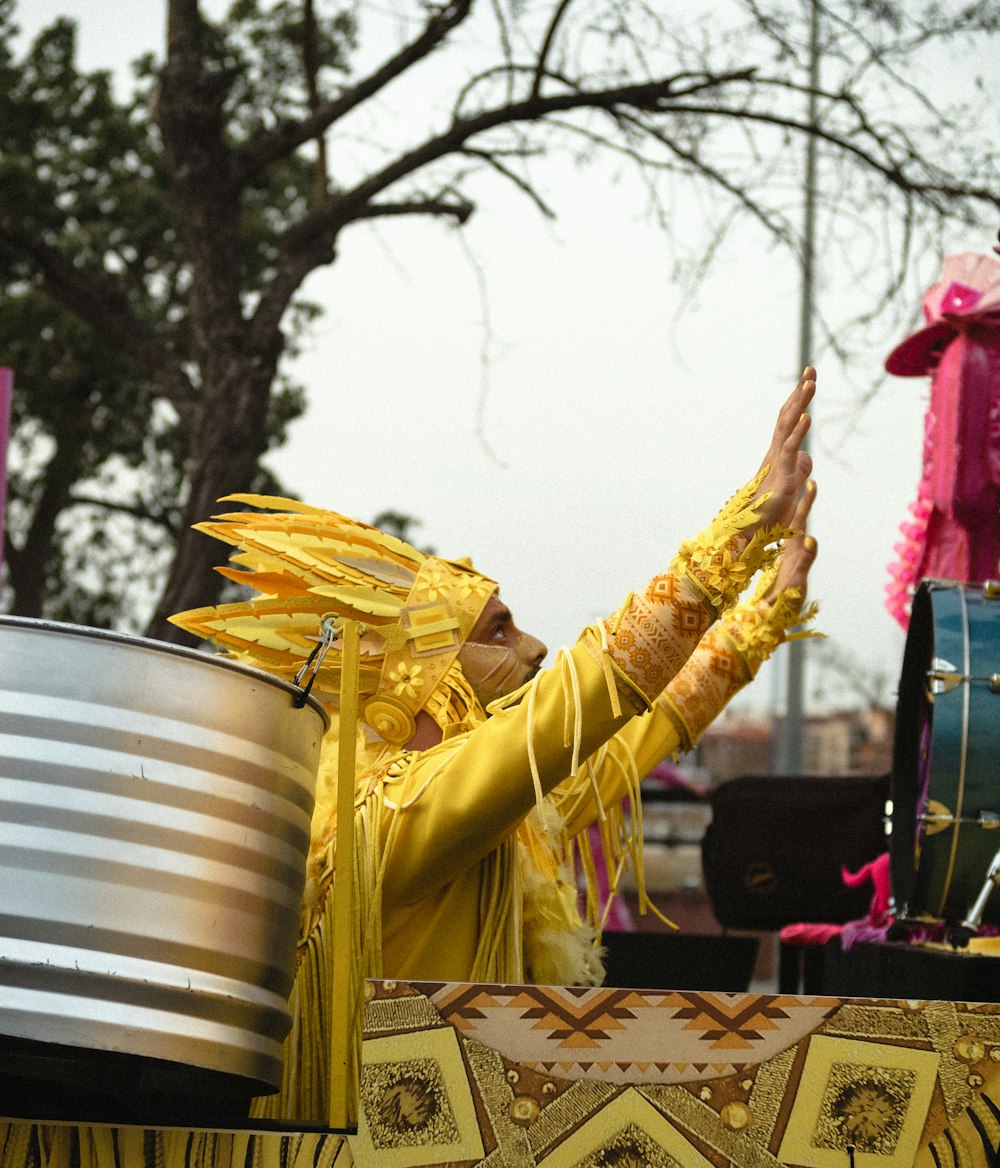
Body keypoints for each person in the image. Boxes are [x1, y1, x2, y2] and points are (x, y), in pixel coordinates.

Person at [171, 369, 820, 1123]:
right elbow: (571, 707)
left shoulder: (497, 814)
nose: (536, 647)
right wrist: (736, 535)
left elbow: (622, 738)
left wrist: (756, 625)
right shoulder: (389, 818)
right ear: (418, 677)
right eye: (498, 632)